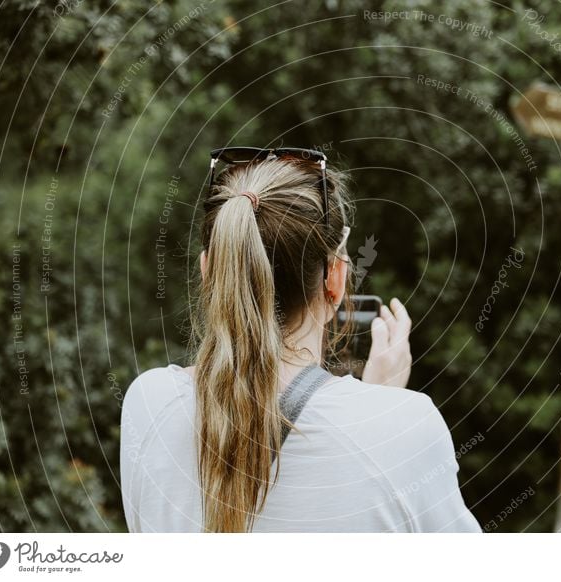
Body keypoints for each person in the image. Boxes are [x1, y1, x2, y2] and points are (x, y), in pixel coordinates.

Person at [120, 147, 481, 532]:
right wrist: (382, 406)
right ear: (336, 279)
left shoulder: (149, 404)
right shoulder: (408, 428)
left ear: (209, 273)